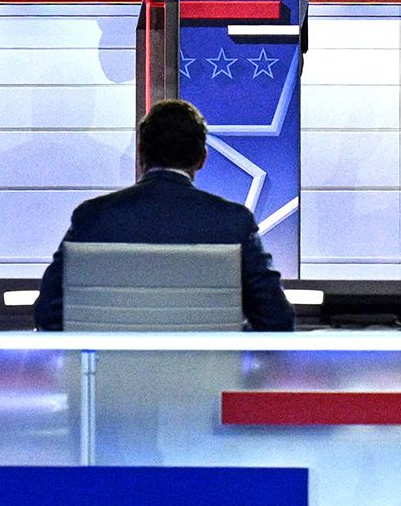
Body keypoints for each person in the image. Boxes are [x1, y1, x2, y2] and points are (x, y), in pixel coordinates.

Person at [31, 98, 294, 331]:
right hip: (208, 383)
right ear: (202, 158)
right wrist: (228, 337)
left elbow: (47, 313)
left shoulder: (92, 218)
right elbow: (276, 320)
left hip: (109, 384)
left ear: (141, 154)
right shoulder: (234, 223)